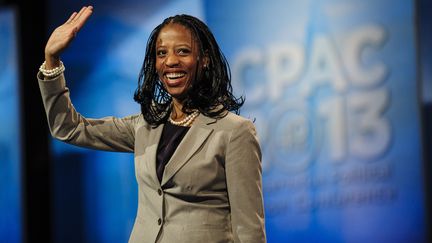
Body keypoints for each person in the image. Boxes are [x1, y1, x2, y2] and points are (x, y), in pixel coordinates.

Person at [38, 5, 266, 243]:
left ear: (204, 60)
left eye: (183, 51)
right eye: (161, 53)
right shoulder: (147, 124)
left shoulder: (234, 132)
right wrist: (52, 60)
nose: (171, 61)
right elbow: (69, 128)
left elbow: (249, 231)